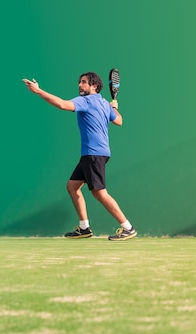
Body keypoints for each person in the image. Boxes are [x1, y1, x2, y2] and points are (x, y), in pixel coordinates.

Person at [22, 72, 137, 241]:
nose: (80, 85)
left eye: (84, 82)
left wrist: (38, 91)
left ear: (94, 86)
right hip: (94, 154)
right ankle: (84, 228)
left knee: (99, 193)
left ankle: (128, 227)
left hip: (93, 154)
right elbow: (119, 120)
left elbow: (62, 104)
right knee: (72, 186)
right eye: (79, 82)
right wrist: (114, 107)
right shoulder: (105, 104)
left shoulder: (86, 101)